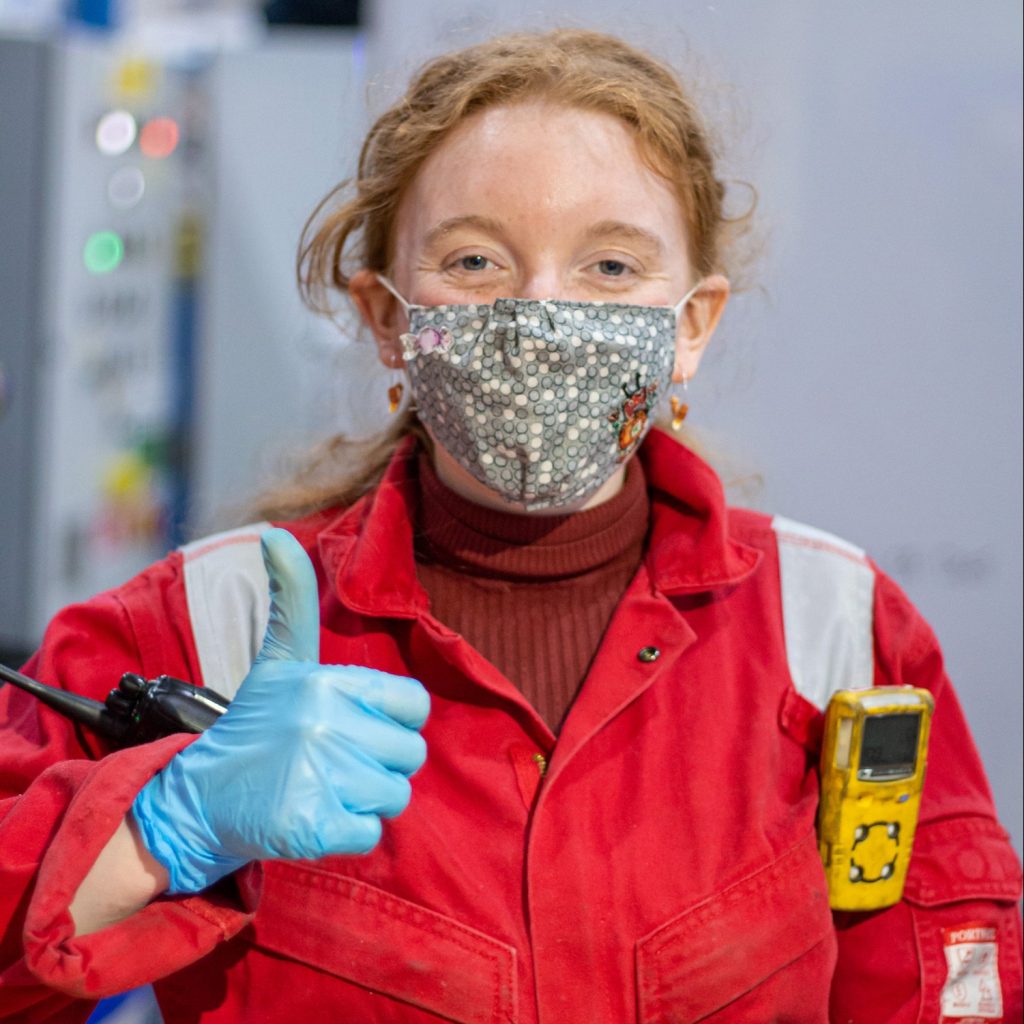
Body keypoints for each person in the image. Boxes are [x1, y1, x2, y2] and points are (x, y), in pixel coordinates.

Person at [0, 28, 1020, 1024]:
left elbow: (940, 985)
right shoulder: (187, 628)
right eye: (477, 261)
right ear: (386, 316)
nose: (540, 311)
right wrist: (160, 829)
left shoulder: (837, 629)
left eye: (610, 268)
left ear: (692, 325)